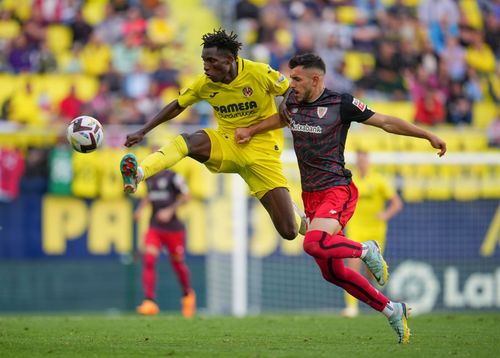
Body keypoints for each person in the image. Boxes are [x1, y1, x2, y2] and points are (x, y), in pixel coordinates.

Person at [234, 53, 447, 344]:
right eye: (290, 77)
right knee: (332, 273)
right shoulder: (292, 103)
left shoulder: (341, 103)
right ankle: (391, 309)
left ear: (316, 79)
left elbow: (385, 122)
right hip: (311, 196)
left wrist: (426, 135)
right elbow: (280, 119)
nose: (290, 84)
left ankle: (365, 250)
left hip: (337, 190)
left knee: (312, 243)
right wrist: (251, 130)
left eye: (296, 78)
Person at [120, 28, 306, 242]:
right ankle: (139, 174)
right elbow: (177, 105)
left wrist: (286, 101)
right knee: (186, 142)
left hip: (262, 152)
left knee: (289, 231)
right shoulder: (205, 84)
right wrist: (143, 131)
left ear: (230, 59)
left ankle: (299, 217)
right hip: (227, 143)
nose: (206, 67)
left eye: (212, 61)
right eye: (204, 61)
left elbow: (290, 88)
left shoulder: (258, 72)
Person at [342, 150, 404, 318]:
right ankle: (351, 307)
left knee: (371, 272)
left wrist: (385, 215)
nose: (361, 163)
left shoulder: (378, 181)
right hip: (355, 229)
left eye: (364, 160)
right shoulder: (351, 181)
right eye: (359, 160)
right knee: (352, 266)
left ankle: (376, 285)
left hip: (375, 231)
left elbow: (397, 204)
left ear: (369, 162)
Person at [135, 169, 196, 317]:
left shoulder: (174, 177)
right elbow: (149, 196)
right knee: (149, 260)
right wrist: (140, 209)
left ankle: (188, 296)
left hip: (174, 230)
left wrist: (169, 210)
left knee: (177, 264)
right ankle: (149, 302)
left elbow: (186, 196)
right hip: (155, 227)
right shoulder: (148, 178)